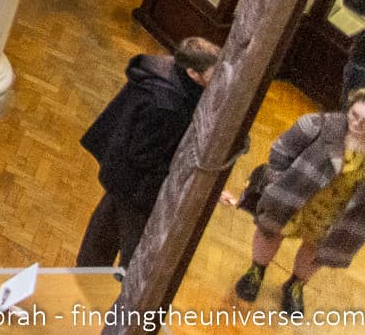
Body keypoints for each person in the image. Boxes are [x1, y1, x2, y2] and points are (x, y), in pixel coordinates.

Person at [76, 37, 221, 267]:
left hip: (121, 172)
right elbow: (145, 156)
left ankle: (85, 275)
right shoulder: (169, 106)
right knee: (135, 254)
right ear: (193, 72)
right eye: (215, 74)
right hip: (138, 187)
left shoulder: (162, 71)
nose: (219, 81)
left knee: (103, 232)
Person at [236, 88, 365, 316]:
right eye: (355, 116)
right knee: (271, 232)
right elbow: (280, 152)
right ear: (349, 108)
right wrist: (278, 184)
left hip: (336, 213)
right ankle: (256, 271)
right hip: (294, 197)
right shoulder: (317, 125)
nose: (358, 124)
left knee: (317, 251)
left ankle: (295, 285)